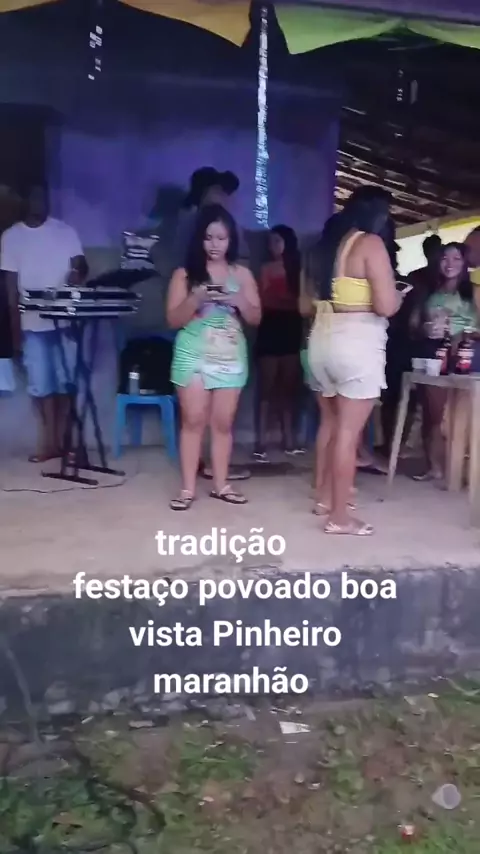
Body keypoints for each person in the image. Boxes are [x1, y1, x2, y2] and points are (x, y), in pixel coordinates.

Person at [307, 186, 401, 536]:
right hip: (356, 342)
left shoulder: (327, 247)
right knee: (348, 434)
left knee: (332, 426)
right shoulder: (369, 244)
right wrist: (399, 296)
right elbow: (386, 306)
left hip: (321, 339)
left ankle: (325, 498)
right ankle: (340, 517)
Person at [166, 204, 261, 510]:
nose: (215, 244)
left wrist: (238, 299)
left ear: (231, 240)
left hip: (230, 356)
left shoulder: (242, 274)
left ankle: (221, 485)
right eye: (208, 238)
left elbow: (256, 317)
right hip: (192, 354)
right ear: (199, 239)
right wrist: (196, 298)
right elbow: (173, 320)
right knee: (193, 420)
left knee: (223, 423)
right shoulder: (184, 275)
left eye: (221, 238)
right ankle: (187, 489)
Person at [1, 185, 88, 462]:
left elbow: (81, 266)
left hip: (65, 322)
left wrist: (77, 273)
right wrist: (15, 332)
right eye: (36, 197)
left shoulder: (65, 231)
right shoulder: (11, 237)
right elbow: (10, 290)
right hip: (31, 323)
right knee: (41, 385)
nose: (41, 202)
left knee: (66, 383)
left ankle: (65, 441)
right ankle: (48, 442)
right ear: (25, 201)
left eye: (45, 197)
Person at [411, 242, 477, 482]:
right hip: (433, 352)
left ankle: (460, 468)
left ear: (465, 263)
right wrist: (426, 329)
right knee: (434, 413)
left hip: (466, 355)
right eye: (444, 258)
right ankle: (434, 466)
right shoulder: (428, 291)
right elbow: (413, 325)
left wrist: (463, 334)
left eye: (456, 259)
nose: (450, 264)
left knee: (462, 417)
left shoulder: (473, 292)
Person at [254, 225, 303, 459]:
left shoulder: (299, 269)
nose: (272, 246)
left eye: (277, 241)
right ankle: (260, 442)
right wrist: (289, 302)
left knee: (288, 389)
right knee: (266, 388)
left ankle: (289, 440)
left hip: (291, 330)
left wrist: (283, 301)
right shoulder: (266, 268)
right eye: (270, 242)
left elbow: (302, 303)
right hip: (270, 329)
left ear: (288, 242)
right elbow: (263, 301)